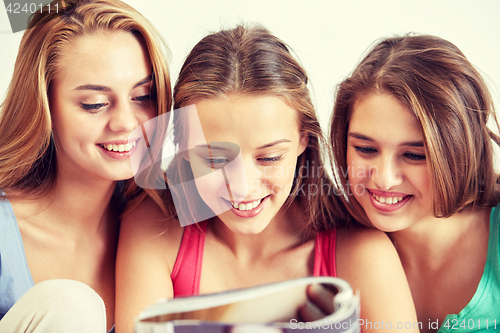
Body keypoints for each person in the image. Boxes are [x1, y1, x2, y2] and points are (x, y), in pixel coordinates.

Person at [116, 25, 419, 333]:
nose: (243, 186)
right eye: (215, 160)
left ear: (303, 139)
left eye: (269, 158)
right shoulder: (153, 224)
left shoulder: (362, 254)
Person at [0, 0, 171, 331]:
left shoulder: (160, 216)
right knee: (69, 305)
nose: (125, 123)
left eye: (142, 96)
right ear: (44, 106)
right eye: (95, 104)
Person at [329, 34, 500, 333]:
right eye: (366, 149)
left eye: (414, 155)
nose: (383, 178)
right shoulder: (328, 244)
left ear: (460, 150)